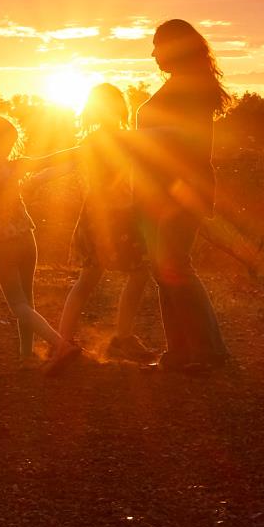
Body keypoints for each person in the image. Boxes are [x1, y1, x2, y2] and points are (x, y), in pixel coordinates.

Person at [132, 18, 231, 372]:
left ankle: (209, 352)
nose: (154, 53)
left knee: (174, 265)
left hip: (180, 190)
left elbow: (183, 138)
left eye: (159, 45)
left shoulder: (190, 88)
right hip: (160, 190)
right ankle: (180, 351)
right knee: (164, 268)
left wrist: (132, 140)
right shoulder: (182, 85)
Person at [0, 113, 81, 370]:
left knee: (18, 304)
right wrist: (81, 151)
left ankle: (60, 346)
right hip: (27, 237)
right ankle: (26, 355)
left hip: (2, 243)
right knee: (27, 300)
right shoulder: (14, 166)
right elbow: (49, 161)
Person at [56, 83, 152, 361]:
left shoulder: (97, 139)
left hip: (101, 215)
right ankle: (117, 339)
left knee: (92, 277)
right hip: (114, 215)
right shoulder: (120, 139)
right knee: (135, 271)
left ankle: (64, 341)